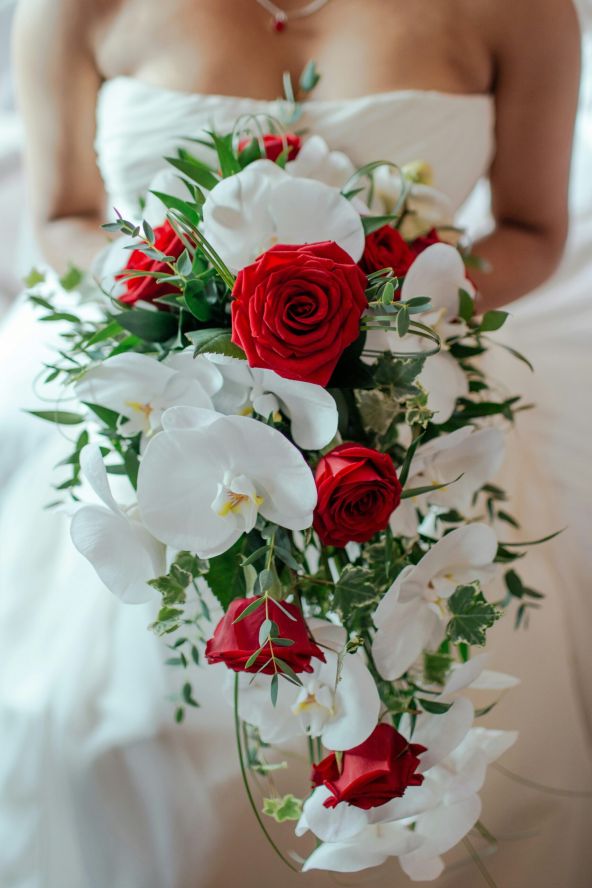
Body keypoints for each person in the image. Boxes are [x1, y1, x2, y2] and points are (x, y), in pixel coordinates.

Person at [0, 0, 590, 885]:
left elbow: (536, 232)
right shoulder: (71, 8)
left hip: (417, 403)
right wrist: (200, 310)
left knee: (453, 717)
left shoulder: (525, 10)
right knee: (134, 748)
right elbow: (59, 218)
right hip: (168, 404)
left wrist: (377, 319)